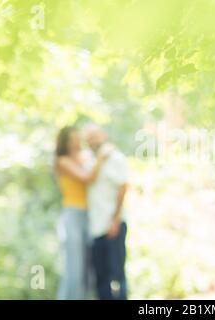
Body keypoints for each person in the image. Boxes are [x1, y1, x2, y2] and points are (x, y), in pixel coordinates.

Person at [54, 126, 107, 300]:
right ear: (65, 142)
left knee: (88, 271)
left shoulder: (84, 157)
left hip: (89, 216)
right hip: (73, 216)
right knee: (74, 269)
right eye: (72, 139)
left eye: (77, 138)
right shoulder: (62, 161)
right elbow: (87, 178)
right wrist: (100, 159)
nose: (76, 142)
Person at [84, 124, 129, 300]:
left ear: (104, 135)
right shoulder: (89, 162)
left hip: (113, 224)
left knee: (117, 273)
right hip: (96, 227)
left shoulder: (116, 158)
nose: (92, 140)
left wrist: (115, 220)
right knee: (101, 277)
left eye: (95, 136)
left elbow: (123, 187)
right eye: (89, 137)